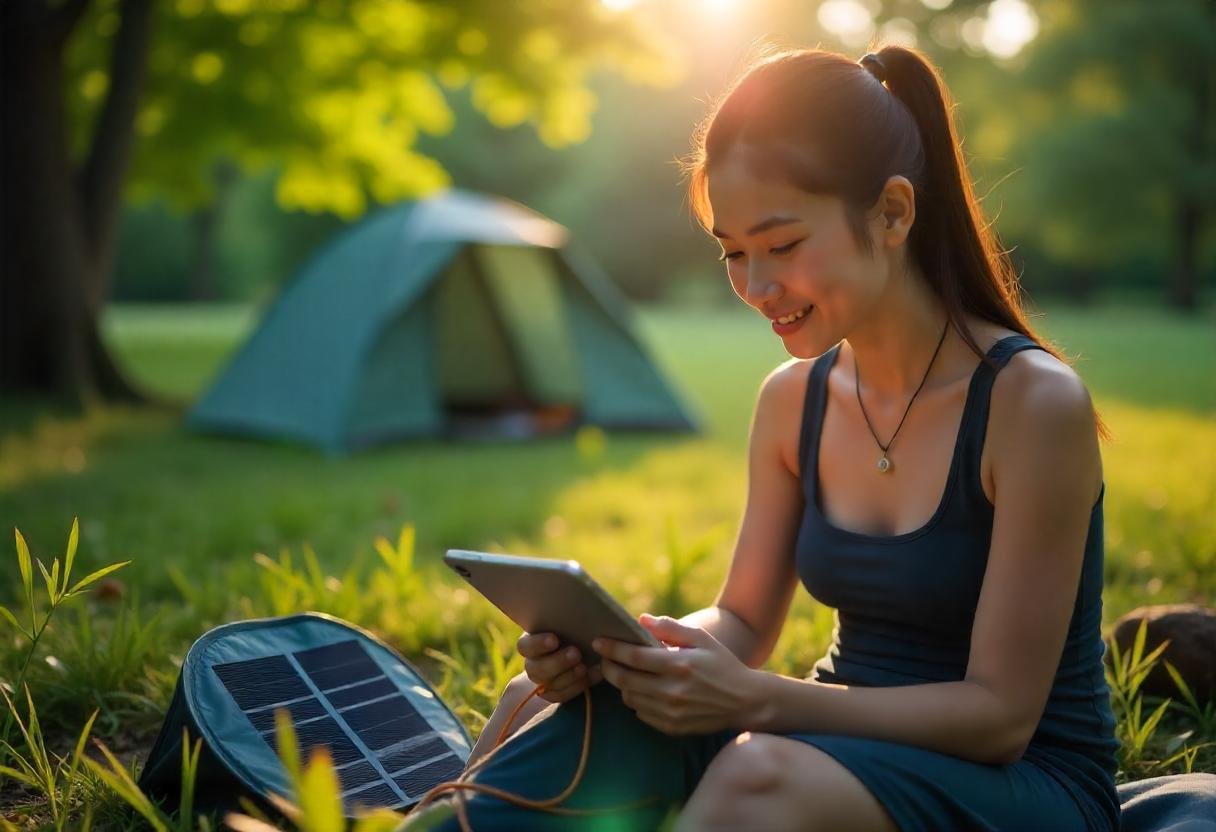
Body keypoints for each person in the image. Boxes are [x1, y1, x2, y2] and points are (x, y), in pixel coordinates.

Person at [420, 43, 1120, 831]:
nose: (757, 288)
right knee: (539, 701)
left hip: (1028, 785)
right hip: (839, 747)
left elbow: (1000, 718)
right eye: (733, 254)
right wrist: (637, 651)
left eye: (782, 246)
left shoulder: (1031, 406)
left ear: (892, 212)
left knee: (759, 774)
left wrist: (761, 699)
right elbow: (745, 623)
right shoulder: (795, 401)